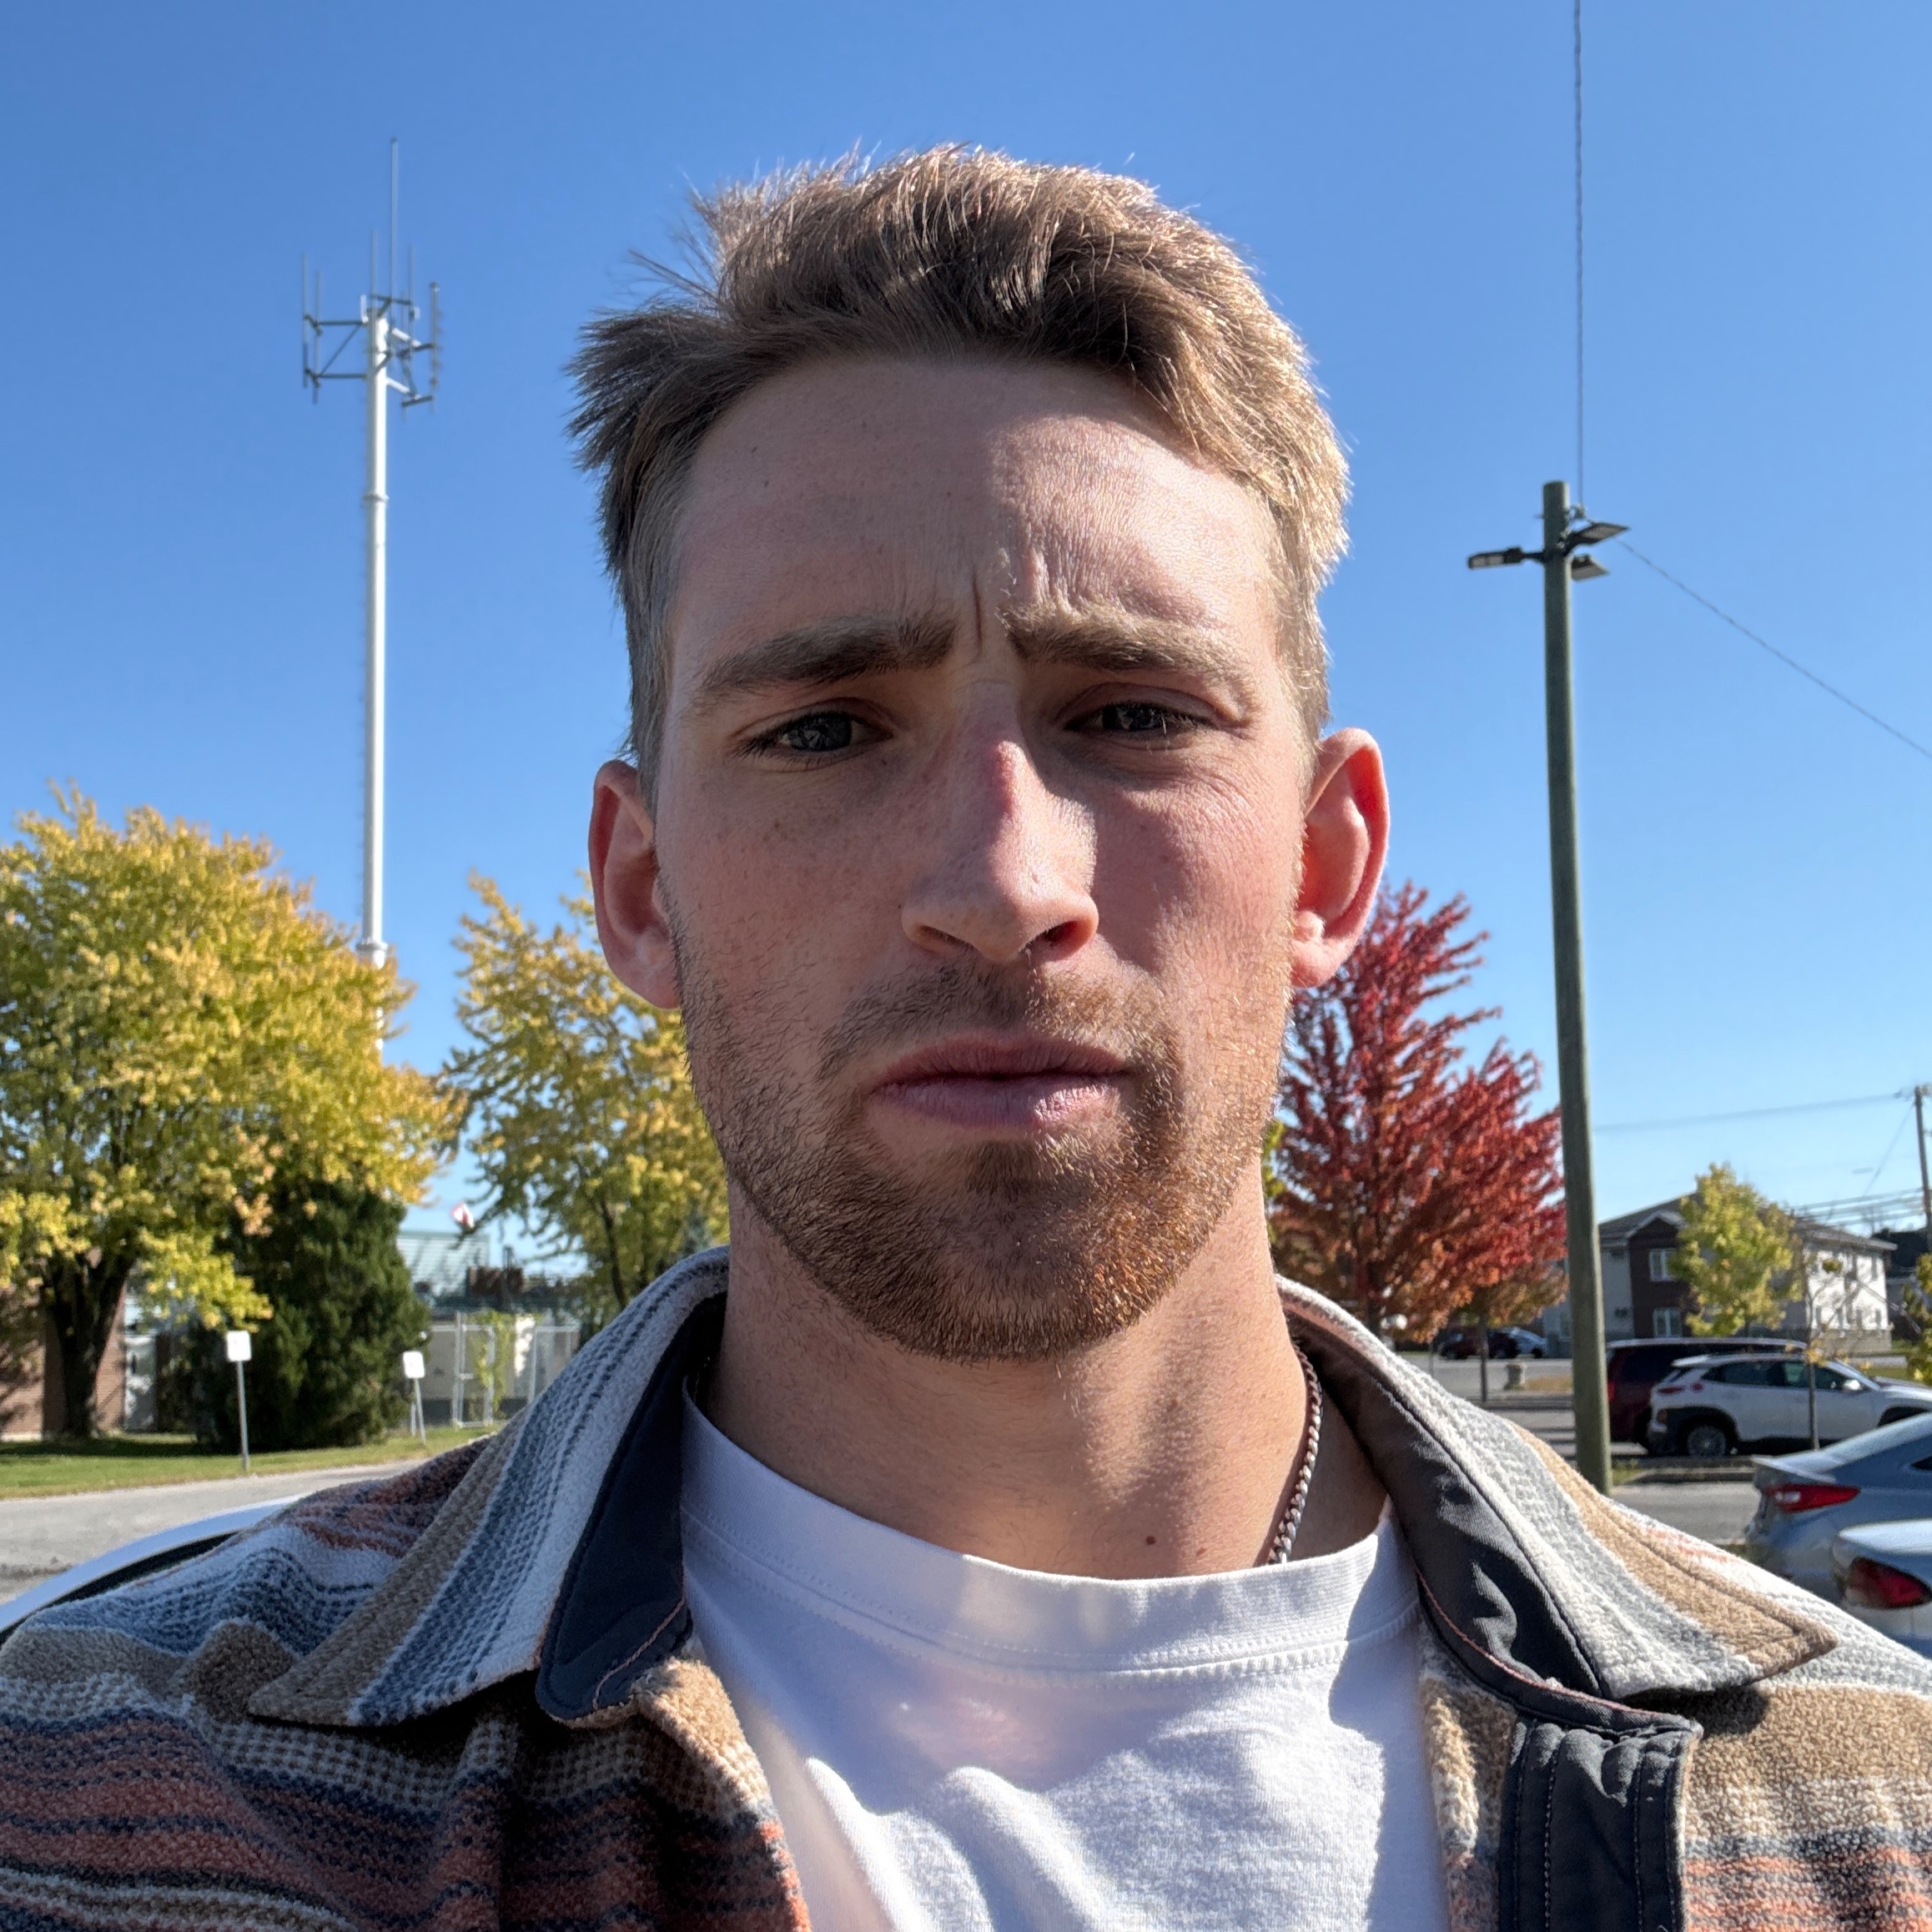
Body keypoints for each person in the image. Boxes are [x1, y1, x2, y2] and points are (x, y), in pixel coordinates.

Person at [3, 148, 1929, 1932]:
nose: (1004, 886)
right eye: (824, 728)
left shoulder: (1877, 1806)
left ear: (1329, 864)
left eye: (1135, 715)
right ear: (642, 888)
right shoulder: (93, 1791)